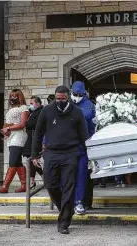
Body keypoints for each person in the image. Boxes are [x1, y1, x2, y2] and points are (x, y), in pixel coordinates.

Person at [31, 85, 89, 234]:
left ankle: (64, 223)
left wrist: (90, 156)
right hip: (51, 152)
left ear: (68, 97)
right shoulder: (47, 110)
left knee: (69, 187)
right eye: (58, 99)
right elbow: (38, 133)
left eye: (63, 99)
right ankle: (66, 210)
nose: (60, 101)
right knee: (50, 184)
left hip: (70, 153)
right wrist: (34, 155)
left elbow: (84, 136)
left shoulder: (76, 112)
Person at [70, 81, 96, 215]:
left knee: (81, 176)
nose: (76, 96)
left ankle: (79, 201)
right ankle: (68, 201)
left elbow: (93, 128)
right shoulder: (66, 104)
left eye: (79, 94)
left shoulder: (89, 106)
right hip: (67, 146)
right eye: (74, 93)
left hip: (82, 147)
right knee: (67, 176)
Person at [0, 89, 29, 193]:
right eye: (11, 96)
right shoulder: (10, 109)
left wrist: (9, 129)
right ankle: (24, 185)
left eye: (15, 96)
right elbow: (7, 123)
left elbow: (22, 124)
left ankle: (5, 186)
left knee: (13, 161)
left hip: (19, 135)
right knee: (17, 161)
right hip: (10, 136)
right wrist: (4, 130)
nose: (12, 98)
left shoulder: (23, 108)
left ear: (20, 97)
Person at [22, 96, 44, 189]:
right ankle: (33, 180)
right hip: (29, 138)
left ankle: (40, 179)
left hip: (34, 138)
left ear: (38, 103)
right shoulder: (32, 113)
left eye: (32, 103)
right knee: (30, 160)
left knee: (33, 159)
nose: (30, 105)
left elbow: (32, 124)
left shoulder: (40, 112)